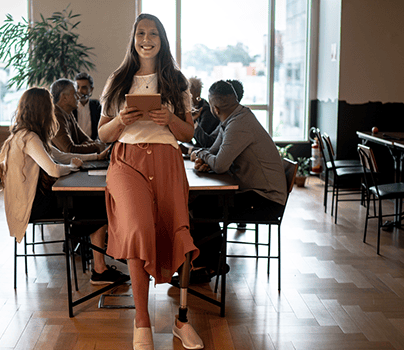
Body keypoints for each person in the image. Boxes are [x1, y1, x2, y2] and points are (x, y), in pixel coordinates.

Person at [98, 13, 203, 350]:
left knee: (179, 232)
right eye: (141, 33)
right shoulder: (118, 79)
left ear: (162, 38)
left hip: (168, 159)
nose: (146, 39)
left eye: (153, 33)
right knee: (139, 228)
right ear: (133, 38)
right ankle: (141, 321)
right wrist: (119, 121)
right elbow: (102, 134)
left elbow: (190, 133)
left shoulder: (176, 80)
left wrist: (170, 119)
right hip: (127, 161)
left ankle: (181, 321)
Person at [0, 87, 126, 286]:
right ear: (41, 110)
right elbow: (55, 170)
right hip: (31, 207)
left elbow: (61, 156)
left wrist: (94, 157)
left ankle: (89, 249)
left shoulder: (28, 135)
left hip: (29, 202)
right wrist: (73, 167)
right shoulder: (29, 138)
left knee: (93, 204)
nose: (52, 112)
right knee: (99, 205)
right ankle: (98, 266)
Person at [189, 80, 288, 281]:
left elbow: (220, 165)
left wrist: (200, 154)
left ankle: (207, 265)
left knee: (201, 207)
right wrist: (205, 156)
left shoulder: (238, 125)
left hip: (266, 200)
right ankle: (210, 263)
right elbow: (214, 151)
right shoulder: (234, 119)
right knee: (200, 203)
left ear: (214, 108)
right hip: (255, 192)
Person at [51, 78, 106, 154]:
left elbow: (85, 139)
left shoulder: (68, 113)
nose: (78, 97)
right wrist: (97, 146)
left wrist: (91, 145)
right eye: (75, 94)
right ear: (64, 98)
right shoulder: (55, 116)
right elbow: (69, 149)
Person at [189, 77, 219, 148]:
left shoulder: (207, 110)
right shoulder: (193, 108)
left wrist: (191, 121)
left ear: (197, 93)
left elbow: (201, 140)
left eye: (188, 92)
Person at [73, 72, 102, 140]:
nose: (79, 91)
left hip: (93, 144)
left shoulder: (97, 106)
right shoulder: (70, 108)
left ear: (91, 90)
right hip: (74, 146)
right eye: (77, 87)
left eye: (84, 88)